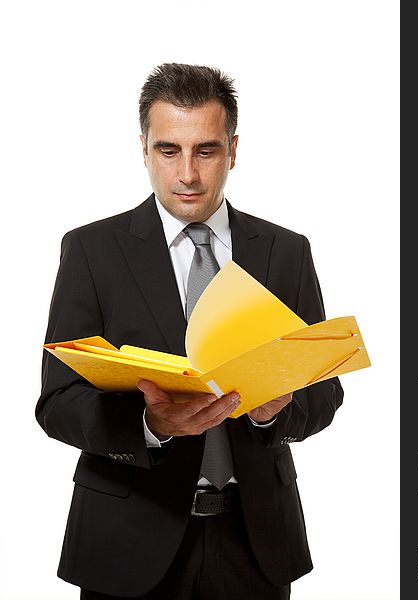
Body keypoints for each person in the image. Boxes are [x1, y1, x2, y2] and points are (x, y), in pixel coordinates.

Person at [36, 63, 344, 600]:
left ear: (233, 150)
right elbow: (57, 402)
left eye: (205, 151)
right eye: (168, 150)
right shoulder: (92, 251)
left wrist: (278, 412)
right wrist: (150, 424)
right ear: (144, 148)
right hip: (129, 541)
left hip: (255, 545)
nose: (187, 175)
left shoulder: (285, 252)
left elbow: (324, 390)